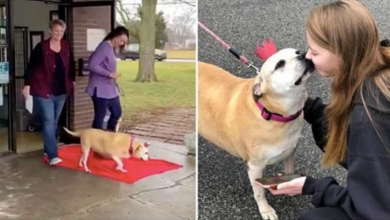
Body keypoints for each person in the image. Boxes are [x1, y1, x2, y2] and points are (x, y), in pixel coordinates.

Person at [268, 1, 390, 219]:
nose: (307, 57)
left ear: (343, 53)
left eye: (315, 52)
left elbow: (376, 210)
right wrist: (306, 106)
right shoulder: (379, 64)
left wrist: (313, 187)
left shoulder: (369, 118)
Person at [22, 19, 75, 165]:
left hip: (61, 91)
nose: (59, 34)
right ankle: (52, 156)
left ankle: (47, 148)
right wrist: (27, 85)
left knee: (54, 121)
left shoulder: (65, 46)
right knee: (48, 121)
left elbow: (70, 65)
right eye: (56, 31)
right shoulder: (41, 47)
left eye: (61, 31)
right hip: (43, 89)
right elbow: (31, 66)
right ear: (50, 31)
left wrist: (72, 80)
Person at [85, 26, 129, 132]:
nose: (122, 44)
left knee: (117, 112)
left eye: (125, 42)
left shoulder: (111, 48)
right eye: (122, 40)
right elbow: (92, 65)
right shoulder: (104, 46)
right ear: (115, 36)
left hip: (110, 89)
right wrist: (109, 74)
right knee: (100, 116)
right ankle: (96, 141)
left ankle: (109, 136)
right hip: (99, 89)